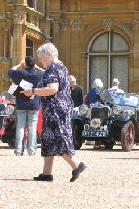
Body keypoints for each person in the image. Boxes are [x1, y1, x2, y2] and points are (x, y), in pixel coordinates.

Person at [22, 43, 86, 182]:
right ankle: (46, 173)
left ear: (49, 54)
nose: (40, 60)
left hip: (55, 109)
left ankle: (77, 164)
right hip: (61, 107)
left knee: (58, 138)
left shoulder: (52, 68)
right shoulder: (62, 66)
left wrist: (32, 91)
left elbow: (52, 89)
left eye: (41, 57)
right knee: (48, 139)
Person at [8, 56, 43, 156]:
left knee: (20, 127)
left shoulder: (20, 73)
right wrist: (37, 67)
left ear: (25, 64)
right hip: (34, 104)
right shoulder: (38, 74)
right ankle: (31, 151)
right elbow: (47, 72)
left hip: (21, 103)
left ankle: (19, 150)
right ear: (34, 64)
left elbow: (10, 71)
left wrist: (19, 65)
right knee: (32, 127)